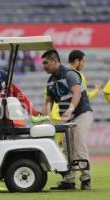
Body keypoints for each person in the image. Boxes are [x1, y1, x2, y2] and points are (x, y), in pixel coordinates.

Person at [41, 50, 93, 190]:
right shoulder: (51, 81)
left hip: (81, 113)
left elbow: (77, 94)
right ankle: (69, 180)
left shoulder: (69, 74)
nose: (43, 66)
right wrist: (42, 117)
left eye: (46, 62)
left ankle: (86, 179)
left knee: (79, 147)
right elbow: (48, 102)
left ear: (54, 61)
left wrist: (69, 110)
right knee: (66, 148)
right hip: (68, 117)